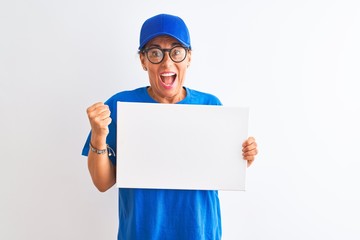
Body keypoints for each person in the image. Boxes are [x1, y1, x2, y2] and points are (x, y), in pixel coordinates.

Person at [82, 13, 258, 240]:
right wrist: (98, 136)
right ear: (143, 60)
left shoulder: (210, 106)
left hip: (199, 233)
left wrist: (243, 157)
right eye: (155, 53)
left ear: (189, 58)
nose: (167, 63)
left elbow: (223, 171)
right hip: (141, 234)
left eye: (176, 52)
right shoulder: (119, 106)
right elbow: (103, 182)